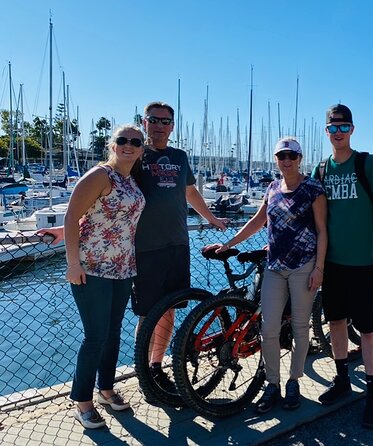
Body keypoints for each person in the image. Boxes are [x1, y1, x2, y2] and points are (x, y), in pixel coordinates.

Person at [204, 136, 327, 413]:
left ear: (300, 158)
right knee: (268, 329)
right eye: (281, 156)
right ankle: (272, 384)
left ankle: (294, 381)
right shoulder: (272, 188)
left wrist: (320, 268)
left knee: (299, 327)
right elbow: (257, 222)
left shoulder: (312, 189)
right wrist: (228, 244)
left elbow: (322, 230)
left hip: (303, 266)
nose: (286, 161)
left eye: (291, 156)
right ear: (276, 159)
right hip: (274, 266)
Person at [133, 101, 228, 394]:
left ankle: (156, 367)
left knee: (171, 310)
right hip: (145, 246)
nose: (159, 125)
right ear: (144, 122)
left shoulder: (180, 157)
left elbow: (190, 192)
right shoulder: (134, 153)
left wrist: (210, 218)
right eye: (154, 120)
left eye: (165, 121)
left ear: (172, 126)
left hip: (177, 244)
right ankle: (142, 373)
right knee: (147, 314)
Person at [311, 104, 373, 428]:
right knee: (336, 324)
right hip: (331, 264)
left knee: (369, 331)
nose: (338, 133)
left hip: (362, 264)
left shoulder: (366, 164)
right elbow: (316, 218)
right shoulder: (322, 170)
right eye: (333, 128)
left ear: (352, 130)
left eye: (343, 127)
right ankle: (342, 380)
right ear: (327, 131)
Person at [63, 124, 146, 429]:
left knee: (112, 334)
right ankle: (82, 401)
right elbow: (72, 216)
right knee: (95, 336)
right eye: (122, 140)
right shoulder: (100, 175)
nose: (128, 145)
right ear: (112, 146)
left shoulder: (131, 180)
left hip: (123, 268)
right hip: (92, 268)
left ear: (141, 149)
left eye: (135, 142)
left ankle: (106, 389)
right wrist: (73, 263)